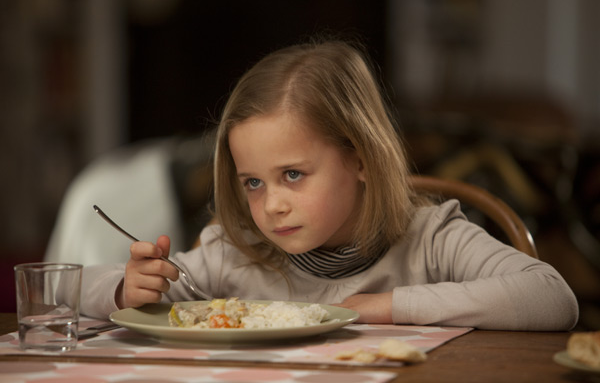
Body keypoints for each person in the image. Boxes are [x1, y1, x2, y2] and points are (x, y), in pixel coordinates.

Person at [80, 38, 578, 330]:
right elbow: (71, 286)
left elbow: (552, 298)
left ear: (359, 158)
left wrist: (386, 306)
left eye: (292, 175)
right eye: (253, 182)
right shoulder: (236, 255)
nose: (272, 205)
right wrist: (125, 290)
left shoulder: (432, 241)